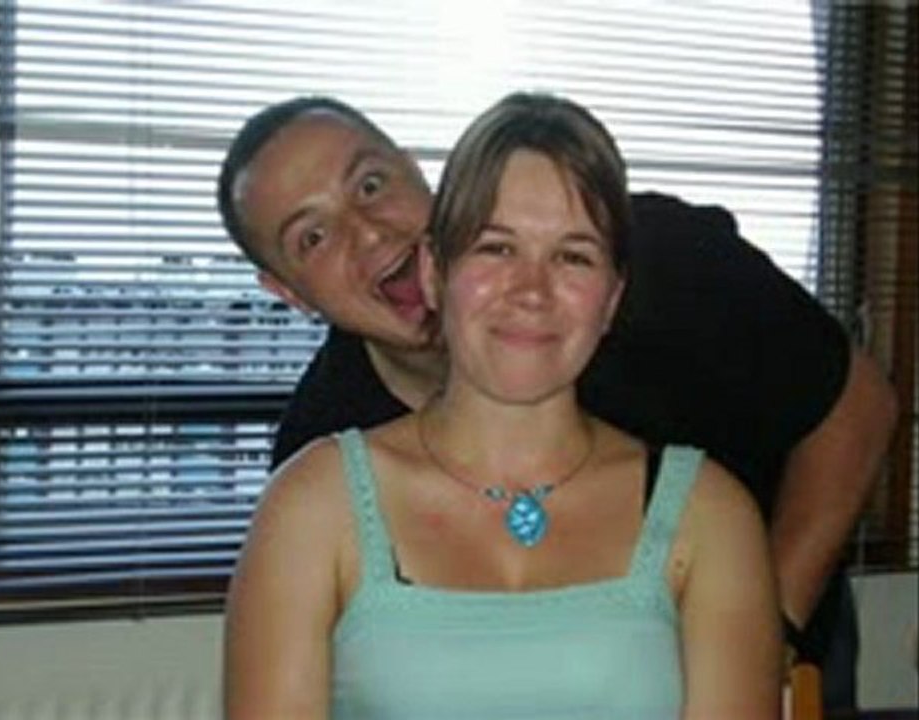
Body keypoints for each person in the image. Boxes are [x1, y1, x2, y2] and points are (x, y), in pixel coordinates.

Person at [217, 95, 898, 710]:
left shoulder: (668, 264)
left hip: (776, 583)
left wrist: (767, 633)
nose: (367, 232)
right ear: (289, 293)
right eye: (313, 236)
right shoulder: (319, 471)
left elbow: (858, 411)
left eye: (370, 184)